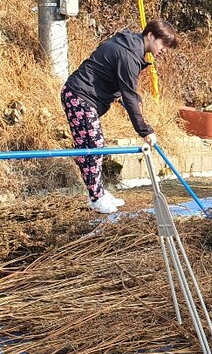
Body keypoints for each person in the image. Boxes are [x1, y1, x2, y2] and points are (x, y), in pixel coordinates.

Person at [61, 19, 177, 214]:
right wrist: (145, 130)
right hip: (79, 96)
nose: (164, 50)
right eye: (163, 43)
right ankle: (96, 198)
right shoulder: (129, 54)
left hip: (83, 95)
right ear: (150, 35)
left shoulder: (130, 45)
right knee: (92, 146)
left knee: (93, 145)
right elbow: (129, 95)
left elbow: (124, 88)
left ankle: (98, 193)